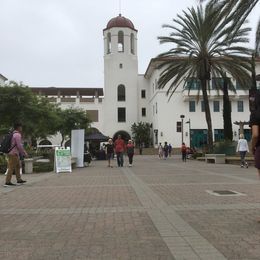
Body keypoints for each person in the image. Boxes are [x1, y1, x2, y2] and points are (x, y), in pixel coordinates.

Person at [4, 123, 28, 187]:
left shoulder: (13, 134)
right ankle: (7, 182)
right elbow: (19, 145)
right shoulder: (17, 135)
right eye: (21, 127)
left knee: (18, 166)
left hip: (12, 153)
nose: (22, 128)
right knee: (11, 167)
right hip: (13, 153)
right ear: (18, 127)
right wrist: (24, 153)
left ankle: (19, 180)